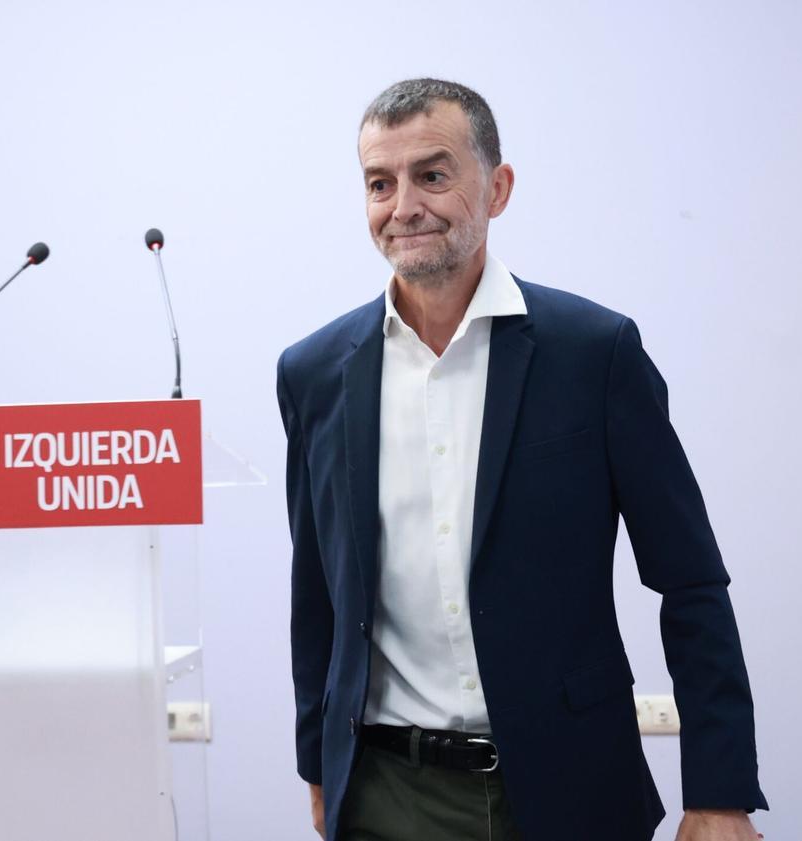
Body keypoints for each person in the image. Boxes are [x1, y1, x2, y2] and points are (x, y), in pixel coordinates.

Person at [276, 78, 767, 841]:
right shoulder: (314, 374)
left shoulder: (593, 354)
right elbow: (318, 592)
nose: (403, 205)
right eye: (380, 183)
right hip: (382, 794)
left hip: (568, 788)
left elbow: (690, 580)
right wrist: (317, 762)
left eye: (432, 175)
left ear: (497, 188)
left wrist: (720, 788)